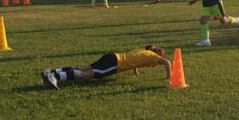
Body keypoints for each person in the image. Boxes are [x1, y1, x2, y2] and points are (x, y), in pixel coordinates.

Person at [41, 45, 171, 90]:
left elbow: (135, 61)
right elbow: (167, 63)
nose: (157, 63)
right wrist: (169, 78)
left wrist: (136, 71)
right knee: (86, 76)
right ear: (158, 54)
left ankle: (52, 71)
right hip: (115, 64)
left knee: (83, 69)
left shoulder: (144, 51)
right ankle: (54, 77)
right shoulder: (154, 57)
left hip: (112, 57)